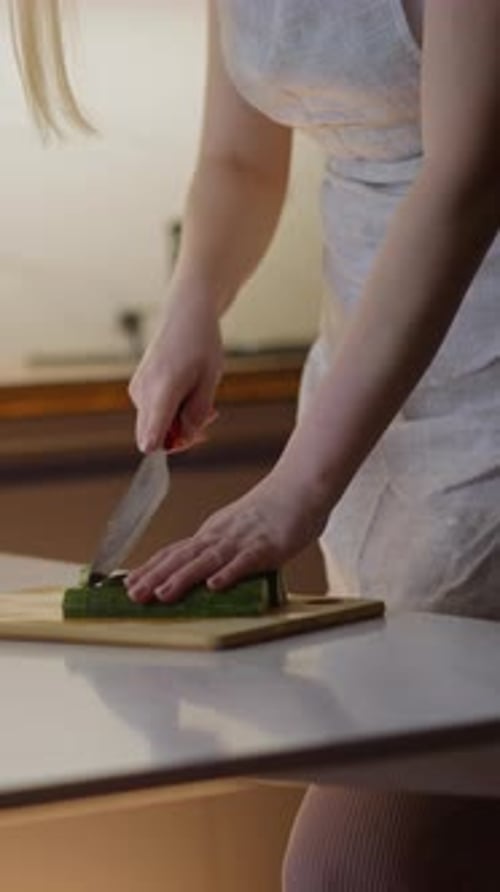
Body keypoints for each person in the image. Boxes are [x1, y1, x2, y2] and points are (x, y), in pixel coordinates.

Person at [11, 1, 500, 888]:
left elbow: (468, 175)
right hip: (364, 394)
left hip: (484, 392)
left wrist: (296, 487)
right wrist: (192, 305)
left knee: (352, 868)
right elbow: (237, 162)